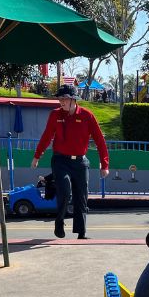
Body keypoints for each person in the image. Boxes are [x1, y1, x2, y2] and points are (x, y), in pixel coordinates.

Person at [31, 84, 109, 239]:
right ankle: (59, 222)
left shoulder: (87, 115)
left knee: (82, 197)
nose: (61, 102)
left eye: (65, 98)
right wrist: (37, 156)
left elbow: (100, 141)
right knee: (65, 191)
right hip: (60, 160)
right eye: (60, 98)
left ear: (73, 99)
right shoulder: (55, 115)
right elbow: (47, 136)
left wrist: (105, 164)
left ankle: (81, 233)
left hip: (80, 162)